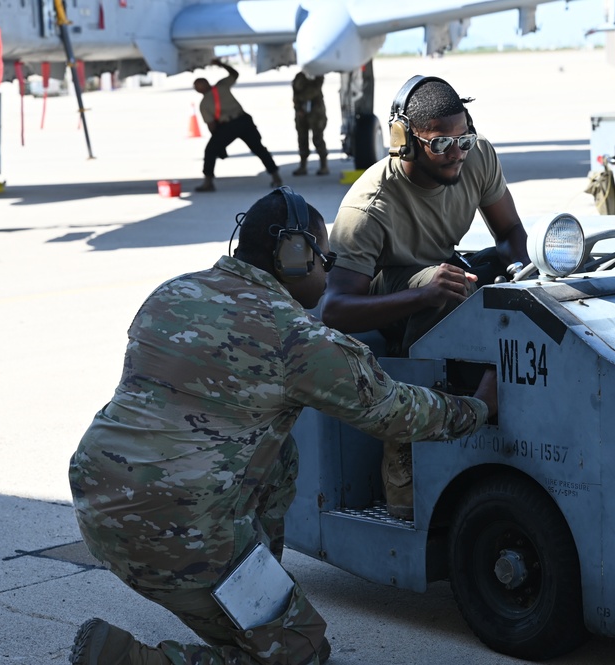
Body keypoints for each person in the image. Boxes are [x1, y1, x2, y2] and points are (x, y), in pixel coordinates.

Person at [67, 187, 498, 665]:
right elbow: (393, 411)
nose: (328, 268)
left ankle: (254, 598)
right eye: (323, 256)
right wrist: (476, 407)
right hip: (178, 526)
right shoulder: (296, 339)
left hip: (98, 499)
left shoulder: (174, 292)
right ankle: (125, 660)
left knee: (281, 455)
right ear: (294, 255)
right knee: (301, 658)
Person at [320, 75, 529, 519]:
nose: (456, 152)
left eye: (463, 138)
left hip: (441, 274)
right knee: (445, 288)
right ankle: (404, 461)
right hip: (391, 295)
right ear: (406, 141)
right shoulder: (370, 206)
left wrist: (517, 273)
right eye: (441, 144)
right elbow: (335, 310)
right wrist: (424, 294)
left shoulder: (476, 157)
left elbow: (510, 231)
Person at [194, 62, 282, 193]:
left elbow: (211, 125)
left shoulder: (204, 104)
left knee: (210, 150)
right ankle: (276, 177)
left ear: (198, 90)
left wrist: (218, 143)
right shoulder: (221, 86)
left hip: (228, 126)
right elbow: (234, 74)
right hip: (243, 120)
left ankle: (208, 182)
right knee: (258, 148)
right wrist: (221, 64)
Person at [291, 72, 329, 176]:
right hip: (302, 113)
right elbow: (295, 93)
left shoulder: (318, 76)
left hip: (316, 113)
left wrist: (301, 98)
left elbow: (313, 92)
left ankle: (323, 165)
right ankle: (303, 166)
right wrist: (298, 108)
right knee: (302, 139)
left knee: (317, 139)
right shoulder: (299, 77)